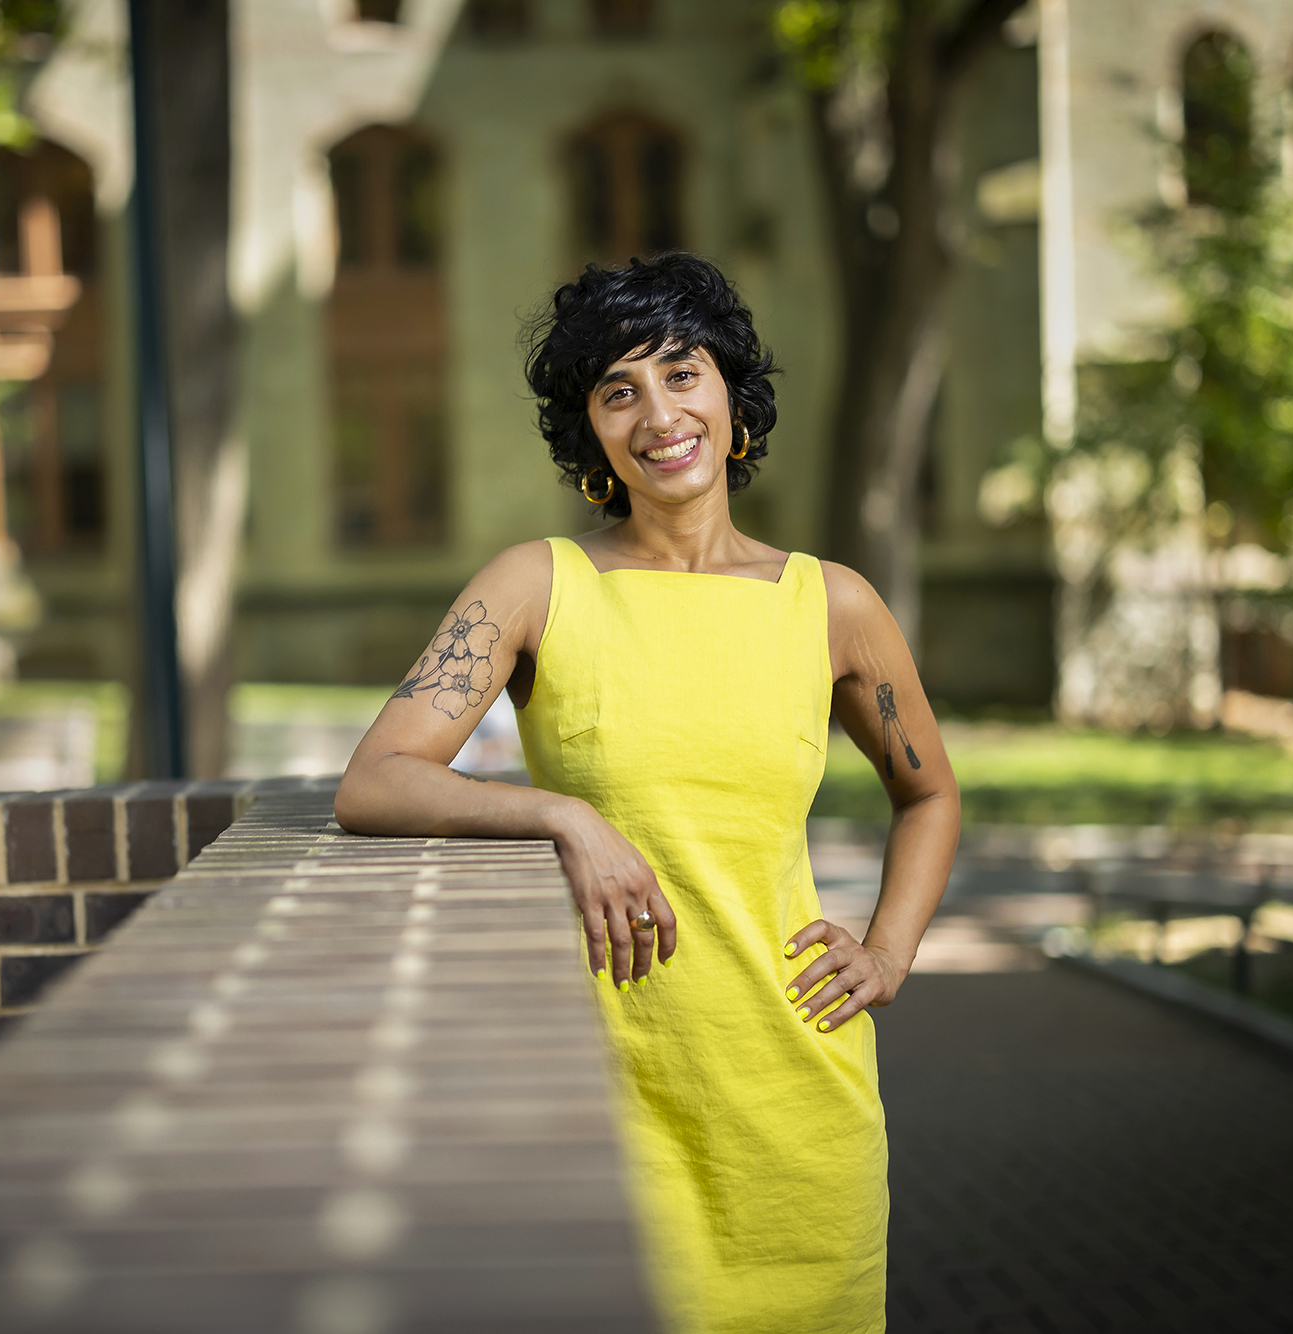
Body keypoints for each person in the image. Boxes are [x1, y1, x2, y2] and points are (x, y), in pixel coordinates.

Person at [333, 252, 960, 1334]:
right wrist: (562, 814)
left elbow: (929, 794)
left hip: (799, 1101)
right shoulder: (534, 586)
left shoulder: (832, 604)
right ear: (589, 433)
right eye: (617, 390)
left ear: (731, 398)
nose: (657, 412)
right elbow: (374, 779)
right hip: (603, 1099)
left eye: (681, 372)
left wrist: (888, 951)